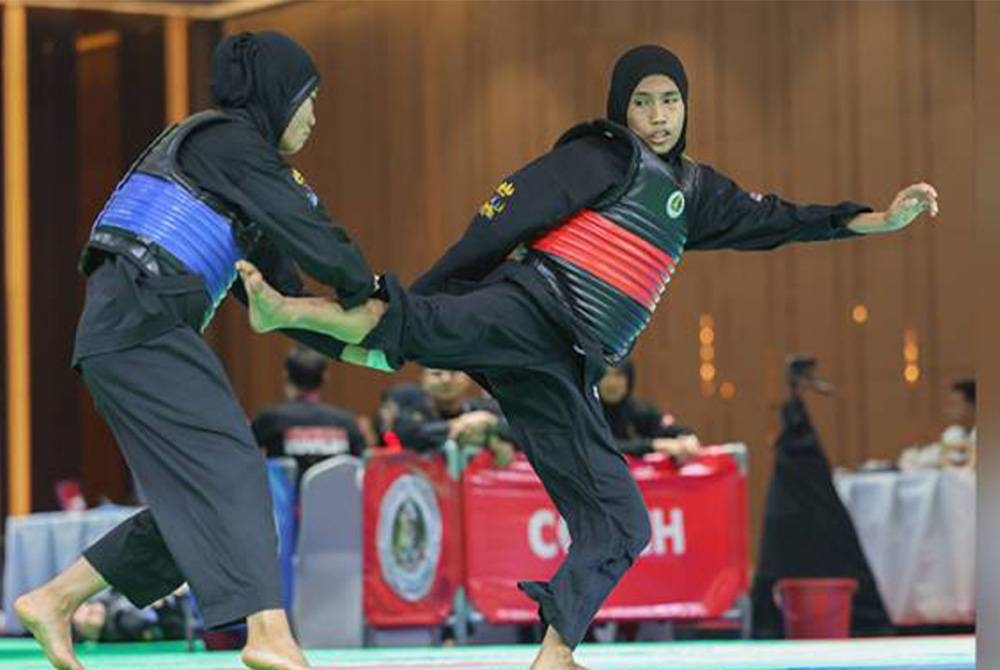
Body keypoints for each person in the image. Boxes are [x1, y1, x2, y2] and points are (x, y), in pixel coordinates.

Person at [238, 45, 938, 670]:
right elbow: (502, 219)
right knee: (408, 328)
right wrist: (432, 295)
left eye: (670, 101)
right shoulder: (599, 156)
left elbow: (777, 221)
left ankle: (556, 651)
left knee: (621, 521)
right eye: (643, 101)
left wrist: (876, 219)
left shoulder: (695, 193)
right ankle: (288, 308)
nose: (658, 115)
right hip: (525, 309)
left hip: (563, 367)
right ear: (619, 107)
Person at [15, 31, 381, 670]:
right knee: (235, 470)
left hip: (131, 326)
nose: (316, 116)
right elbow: (324, 244)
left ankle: (54, 598)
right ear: (278, 95)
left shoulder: (238, 177)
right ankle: (268, 634)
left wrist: (376, 346)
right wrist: (372, 293)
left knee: (199, 502)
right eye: (310, 99)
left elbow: (286, 299)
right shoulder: (227, 142)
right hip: (141, 317)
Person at [253, 346, 366, 488]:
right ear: (324, 377)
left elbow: (244, 458)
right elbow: (362, 468)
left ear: (286, 375)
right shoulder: (346, 422)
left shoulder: (270, 419)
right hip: (338, 507)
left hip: (285, 508)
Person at [598, 359, 700, 460]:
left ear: (629, 379)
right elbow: (603, 445)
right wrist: (655, 445)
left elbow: (668, 430)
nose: (611, 383)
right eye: (605, 375)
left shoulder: (639, 410)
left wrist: (688, 438)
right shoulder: (589, 413)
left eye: (618, 375)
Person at [898, 378, 976, 470]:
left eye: (955, 404)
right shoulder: (953, 433)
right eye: (950, 405)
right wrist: (912, 456)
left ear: (973, 406)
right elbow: (932, 457)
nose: (950, 409)